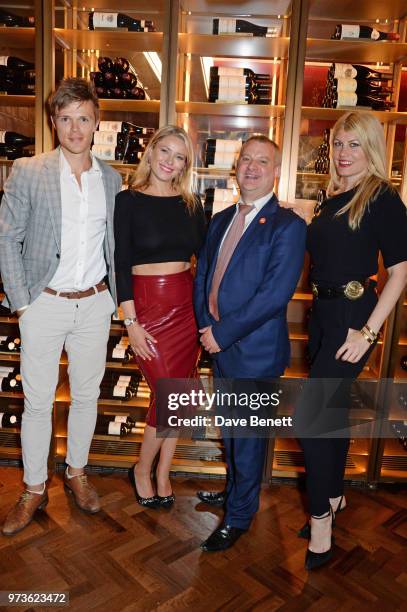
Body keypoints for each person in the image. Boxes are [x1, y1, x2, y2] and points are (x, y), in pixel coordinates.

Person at [0, 78, 122, 535]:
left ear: (96, 123)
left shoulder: (111, 178)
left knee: (88, 396)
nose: (76, 128)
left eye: (84, 119)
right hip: (43, 304)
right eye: (66, 119)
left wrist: (113, 298)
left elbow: (113, 244)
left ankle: (76, 472)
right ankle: (34, 487)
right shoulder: (29, 170)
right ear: (55, 123)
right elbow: (7, 237)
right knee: (37, 402)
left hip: (94, 303)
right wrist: (23, 305)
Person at [296, 111, 407, 570]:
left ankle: (320, 518)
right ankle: (335, 495)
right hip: (322, 314)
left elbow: (400, 273)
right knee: (332, 416)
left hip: (352, 317)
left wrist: (367, 332)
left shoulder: (382, 197)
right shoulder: (333, 196)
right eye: (339, 144)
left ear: (372, 148)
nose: (343, 153)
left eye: (354, 145)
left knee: (310, 419)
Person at [194, 135, 307, 551]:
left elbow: (274, 296)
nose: (252, 167)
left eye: (262, 161)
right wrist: (207, 326)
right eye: (246, 160)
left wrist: (220, 334)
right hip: (219, 346)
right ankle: (235, 492)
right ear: (236, 166)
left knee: (248, 436)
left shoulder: (288, 226)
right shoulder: (222, 219)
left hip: (254, 354)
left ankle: (240, 515)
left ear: (276, 171)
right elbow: (204, 274)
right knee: (232, 431)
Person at [114, 125, 206, 509]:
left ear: (186, 165)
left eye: (179, 156)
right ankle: (141, 468)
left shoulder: (192, 204)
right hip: (147, 308)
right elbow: (119, 265)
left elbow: (206, 261)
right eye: (164, 151)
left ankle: (163, 471)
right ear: (150, 153)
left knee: (180, 395)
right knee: (169, 395)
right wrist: (131, 323)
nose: (170, 161)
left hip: (185, 308)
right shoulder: (128, 201)